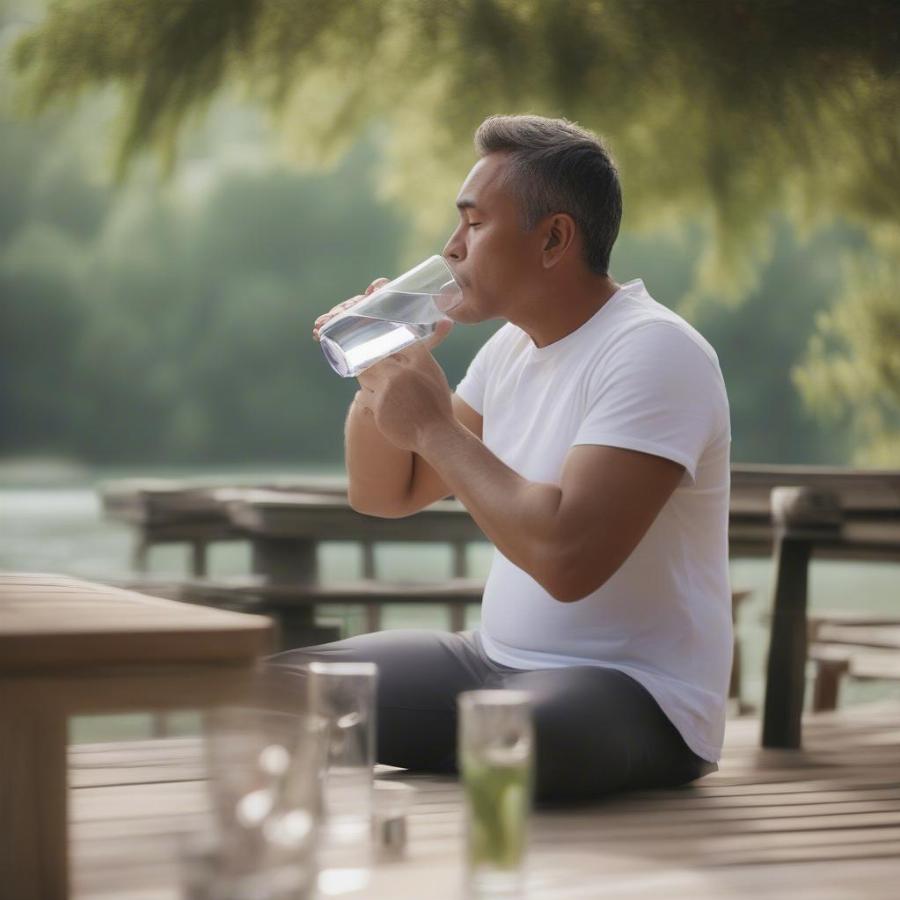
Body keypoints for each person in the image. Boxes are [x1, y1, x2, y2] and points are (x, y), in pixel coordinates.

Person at [274, 114, 732, 803]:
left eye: (474, 224)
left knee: (516, 741)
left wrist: (433, 427)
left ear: (553, 239)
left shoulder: (656, 352)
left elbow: (567, 558)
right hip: (489, 661)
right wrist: (381, 372)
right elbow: (384, 493)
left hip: (637, 691)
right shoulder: (509, 351)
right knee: (274, 688)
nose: (451, 248)